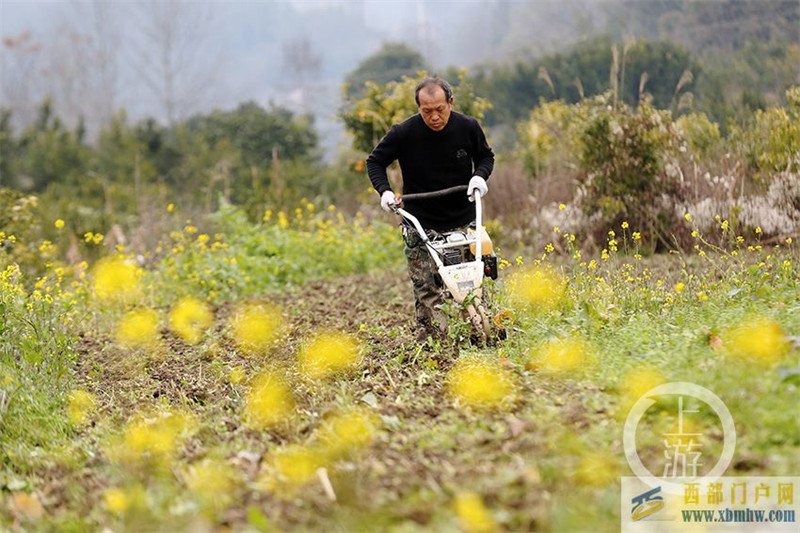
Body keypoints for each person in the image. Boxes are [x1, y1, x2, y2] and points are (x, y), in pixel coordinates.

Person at [366, 76, 495, 342]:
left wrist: (479, 176)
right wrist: (386, 191)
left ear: (450, 102)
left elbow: (485, 156)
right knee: (426, 288)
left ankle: (478, 330)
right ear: (419, 109)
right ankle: (432, 339)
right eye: (427, 111)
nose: (434, 117)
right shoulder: (403, 133)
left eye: (440, 109)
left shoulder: (467, 127)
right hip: (420, 221)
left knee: (471, 281)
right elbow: (375, 162)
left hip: (462, 218)